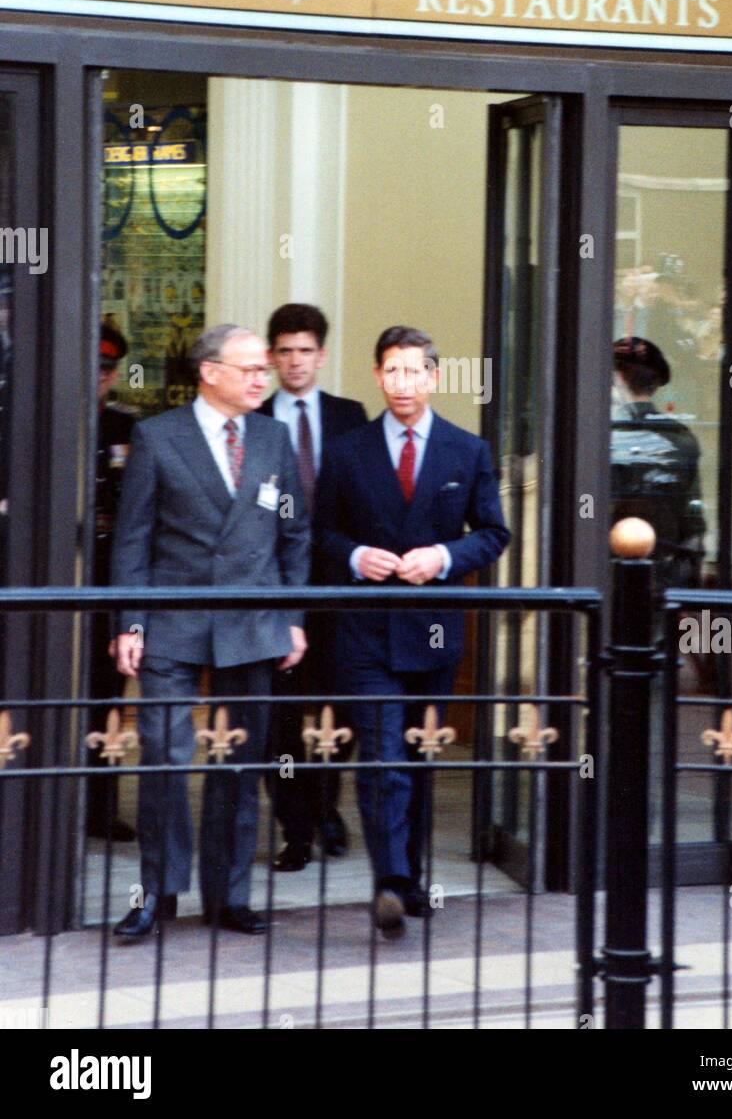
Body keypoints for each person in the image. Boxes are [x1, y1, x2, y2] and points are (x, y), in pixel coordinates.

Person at [110, 324, 310, 941]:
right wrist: (132, 623)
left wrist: (292, 618)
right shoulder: (156, 435)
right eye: (249, 368)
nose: (261, 378)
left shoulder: (275, 437)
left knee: (239, 765)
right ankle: (158, 893)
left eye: (265, 370)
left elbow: (293, 534)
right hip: (174, 620)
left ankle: (229, 896)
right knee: (164, 760)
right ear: (210, 371)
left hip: (252, 623)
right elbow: (134, 538)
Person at [315, 326, 510, 939]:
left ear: (433, 376)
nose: (402, 383)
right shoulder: (348, 451)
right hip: (366, 630)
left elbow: (493, 532)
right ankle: (390, 881)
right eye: (391, 372)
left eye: (414, 371)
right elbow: (319, 534)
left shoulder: (467, 450)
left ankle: (412, 875)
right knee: (381, 757)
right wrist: (354, 558)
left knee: (420, 759)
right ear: (377, 377)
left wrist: (445, 558)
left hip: (432, 630)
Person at [259, 303, 367, 870]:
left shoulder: (351, 416)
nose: (295, 361)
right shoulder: (253, 416)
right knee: (277, 714)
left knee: (341, 709)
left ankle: (326, 806)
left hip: (339, 590)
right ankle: (294, 828)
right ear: (272, 355)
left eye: (305, 351)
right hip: (273, 589)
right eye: (284, 351)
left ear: (321, 355)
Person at [86, 322, 138, 841]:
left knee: (105, 699)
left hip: (107, 578)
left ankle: (98, 806)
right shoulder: (34, 415)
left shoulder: (126, 428)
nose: (99, 378)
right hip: (55, 575)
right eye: (92, 367)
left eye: (106, 370)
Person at [611, 336, 705, 589]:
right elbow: (693, 525)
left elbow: (584, 510)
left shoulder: (599, 436)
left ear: (617, 379)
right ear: (653, 386)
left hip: (603, 577)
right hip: (663, 579)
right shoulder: (680, 438)